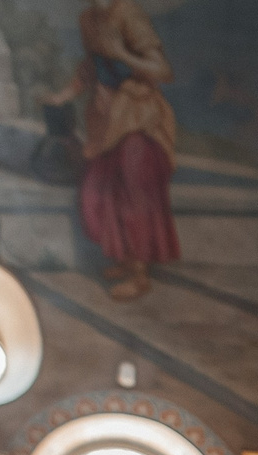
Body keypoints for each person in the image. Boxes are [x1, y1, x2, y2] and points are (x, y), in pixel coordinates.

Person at [59, 0, 179, 302]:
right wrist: (65, 93)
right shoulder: (88, 19)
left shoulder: (129, 13)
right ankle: (125, 259)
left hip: (139, 119)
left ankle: (139, 274)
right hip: (106, 121)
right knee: (94, 192)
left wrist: (122, 54)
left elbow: (162, 70)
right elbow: (92, 66)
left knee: (133, 184)